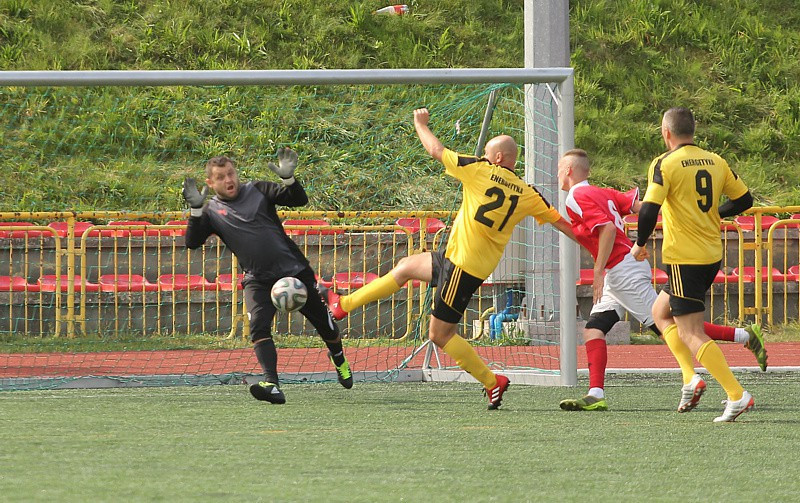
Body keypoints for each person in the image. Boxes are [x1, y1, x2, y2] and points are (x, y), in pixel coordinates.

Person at [320, 107, 577, 410]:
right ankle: (343, 305)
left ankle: (492, 381)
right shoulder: (527, 192)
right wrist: (600, 244)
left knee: (439, 335)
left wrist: (419, 123)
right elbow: (563, 224)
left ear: (497, 158)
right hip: (457, 258)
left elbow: (436, 149)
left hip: (463, 267)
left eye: (486, 151)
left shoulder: (480, 169)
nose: (482, 153)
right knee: (405, 267)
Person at [556, 149, 767, 412]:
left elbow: (608, 229)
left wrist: (597, 270)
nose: (556, 174)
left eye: (558, 169)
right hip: (621, 270)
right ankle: (596, 392)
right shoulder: (602, 192)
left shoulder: (575, 196)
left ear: (567, 171)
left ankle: (727, 350)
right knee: (594, 328)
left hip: (622, 271)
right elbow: (642, 208)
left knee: (670, 324)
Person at [182, 148, 352, 405]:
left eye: (231, 173)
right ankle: (272, 384)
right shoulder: (211, 212)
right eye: (221, 177)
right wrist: (195, 211)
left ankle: (338, 358)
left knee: (324, 325)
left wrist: (289, 180)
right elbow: (192, 242)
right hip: (257, 279)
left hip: (294, 272)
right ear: (210, 183)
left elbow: (298, 200)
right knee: (259, 327)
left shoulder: (258, 189)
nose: (228, 180)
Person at [631, 107, 757, 422]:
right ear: (694, 131)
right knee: (660, 312)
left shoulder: (664, 163)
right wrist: (718, 213)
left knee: (691, 332)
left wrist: (640, 243)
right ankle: (690, 377)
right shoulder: (716, 160)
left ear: (666, 132)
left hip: (684, 257)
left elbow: (649, 209)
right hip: (711, 254)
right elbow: (745, 201)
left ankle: (736, 394)